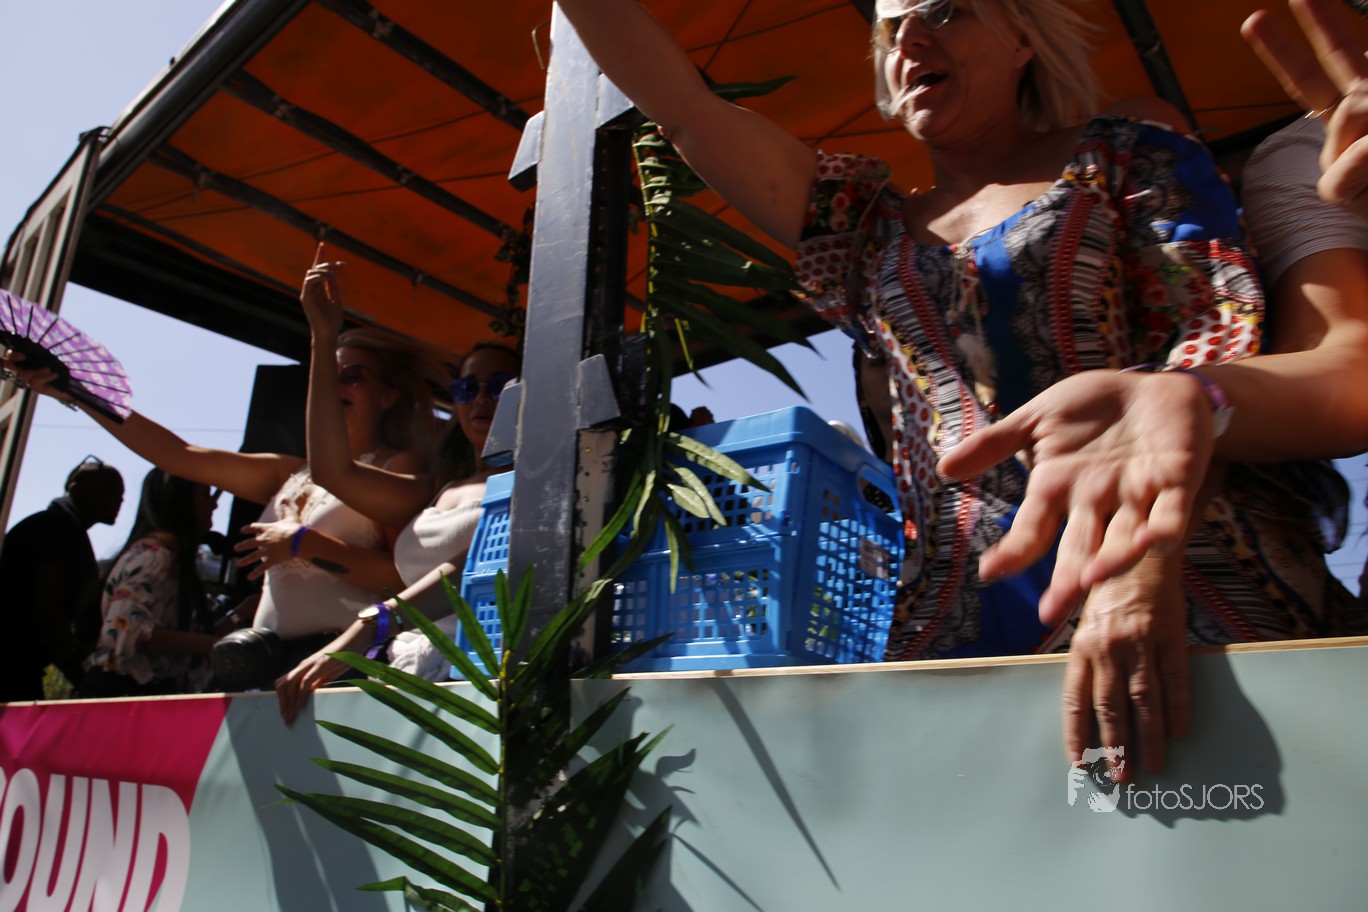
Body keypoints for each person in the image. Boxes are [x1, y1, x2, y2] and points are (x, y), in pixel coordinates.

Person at [556, 0, 1368, 778]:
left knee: (1222, 819)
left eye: (946, 11)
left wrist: (1139, 557)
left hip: (1177, 579)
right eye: (891, 31)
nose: (910, 42)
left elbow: (1212, 343)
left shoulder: (1124, 157)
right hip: (961, 625)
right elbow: (685, 109)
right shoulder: (862, 227)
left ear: (1022, 38)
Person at [3, 291, 443, 679]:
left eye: (352, 375)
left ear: (389, 395)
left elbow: (406, 579)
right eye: (327, 374)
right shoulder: (290, 473)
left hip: (346, 665)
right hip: (269, 662)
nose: (334, 384)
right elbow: (178, 455)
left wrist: (307, 545)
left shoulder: (401, 466)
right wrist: (78, 392)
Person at [274, 254, 520, 723]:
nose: (481, 398)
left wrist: (368, 627)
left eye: (499, 385)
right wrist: (324, 337)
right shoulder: (435, 490)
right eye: (466, 388)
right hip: (407, 674)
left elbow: (468, 569)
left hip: (482, 681)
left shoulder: (537, 482)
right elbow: (331, 470)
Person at [81, 470, 224, 697]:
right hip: (122, 697)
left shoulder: (170, 559)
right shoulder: (154, 558)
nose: (214, 504)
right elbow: (130, 632)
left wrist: (241, 614)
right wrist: (211, 644)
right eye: (206, 495)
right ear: (180, 500)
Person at [0, 456, 124, 701]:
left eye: (120, 494)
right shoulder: (54, 529)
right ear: (75, 489)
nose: (119, 499)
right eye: (109, 489)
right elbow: (48, 613)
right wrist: (83, 679)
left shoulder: (60, 527)